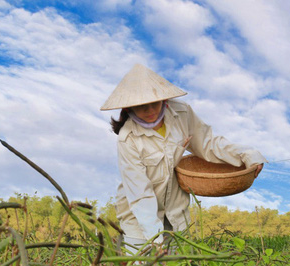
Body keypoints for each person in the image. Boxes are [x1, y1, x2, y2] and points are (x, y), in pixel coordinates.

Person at [100, 63, 266, 253]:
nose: (150, 110)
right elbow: (140, 193)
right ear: (129, 108)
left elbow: (208, 143)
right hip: (138, 216)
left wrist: (247, 155)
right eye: (141, 107)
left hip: (175, 210)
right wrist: (155, 238)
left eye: (155, 102)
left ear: (164, 99)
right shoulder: (127, 139)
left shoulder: (182, 113)